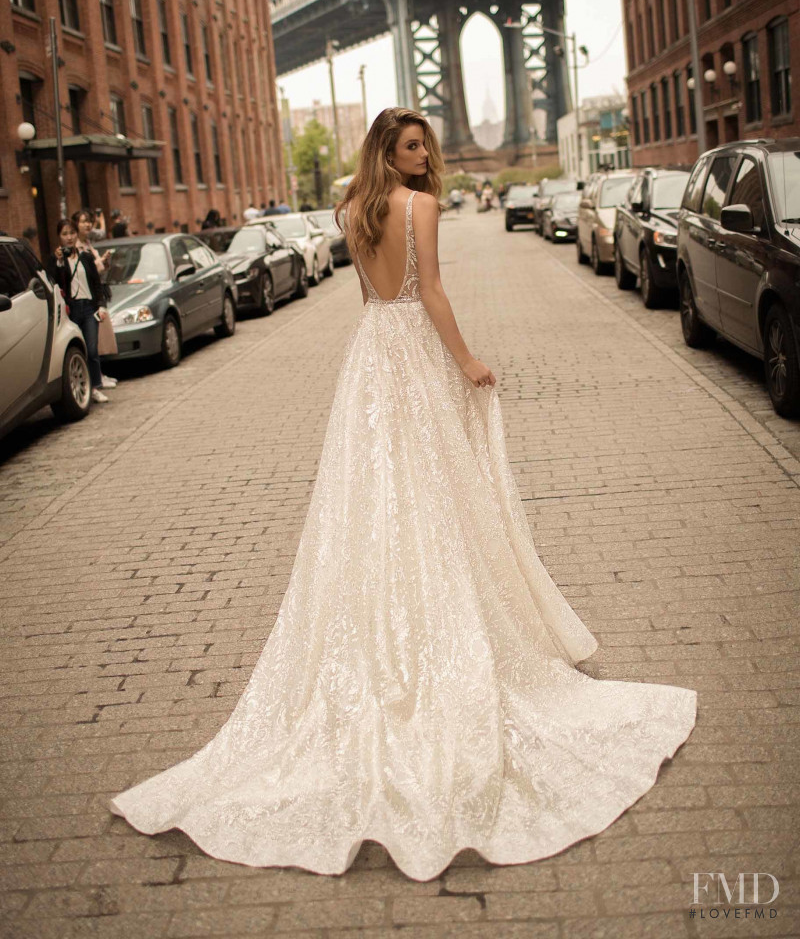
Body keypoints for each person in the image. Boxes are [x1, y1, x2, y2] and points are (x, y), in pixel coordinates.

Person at [108, 106, 696, 881]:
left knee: (380, 499)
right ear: (389, 148)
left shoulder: (352, 208)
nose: (425, 156)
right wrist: (466, 362)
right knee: (429, 496)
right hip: (413, 350)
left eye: (427, 145)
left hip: (371, 356)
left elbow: (369, 303)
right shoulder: (419, 206)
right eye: (412, 144)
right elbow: (435, 296)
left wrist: (393, 352)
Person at [47, 218, 110, 404]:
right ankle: (84, 388)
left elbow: (96, 284)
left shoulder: (86, 257)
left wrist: (101, 305)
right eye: (64, 234)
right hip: (71, 309)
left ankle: (96, 387)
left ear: (76, 235)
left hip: (89, 308)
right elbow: (55, 282)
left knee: (91, 350)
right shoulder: (56, 260)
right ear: (59, 237)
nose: (69, 237)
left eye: (72, 233)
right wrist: (58, 262)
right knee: (77, 351)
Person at [73, 208, 116, 389]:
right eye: (83, 221)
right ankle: (96, 378)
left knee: (97, 341)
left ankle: (99, 374)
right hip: (86, 299)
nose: (88, 224)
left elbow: (97, 271)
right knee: (92, 343)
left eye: (89, 221)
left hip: (95, 296)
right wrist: (100, 264)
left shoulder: (88, 243)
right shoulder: (76, 247)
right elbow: (87, 273)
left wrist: (104, 261)